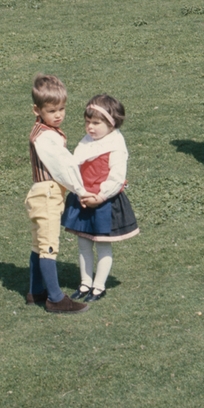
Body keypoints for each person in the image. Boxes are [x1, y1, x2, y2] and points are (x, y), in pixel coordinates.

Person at [60, 94, 139, 302]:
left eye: (96, 123)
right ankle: (85, 282)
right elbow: (74, 166)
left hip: (104, 201)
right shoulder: (87, 142)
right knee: (83, 243)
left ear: (111, 124)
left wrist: (100, 196)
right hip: (84, 198)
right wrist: (79, 191)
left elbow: (116, 177)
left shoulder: (115, 146)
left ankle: (99, 285)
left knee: (103, 244)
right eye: (87, 122)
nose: (90, 128)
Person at [26, 75, 90, 314]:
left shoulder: (43, 131)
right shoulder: (46, 136)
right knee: (49, 245)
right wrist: (81, 190)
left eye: (62, 108)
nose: (58, 115)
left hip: (41, 192)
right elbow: (63, 167)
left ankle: (35, 290)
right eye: (52, 110)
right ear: (37, 109)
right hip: (48, 193)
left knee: (38, 243)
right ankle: (55, 298)